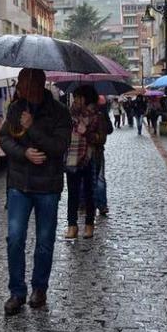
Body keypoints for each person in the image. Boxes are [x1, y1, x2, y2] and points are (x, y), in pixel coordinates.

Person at [0, 68, 72, 316]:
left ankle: (39, 289)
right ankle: (17, 292)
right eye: (20, 85)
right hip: (19, 184)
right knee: (15, 238)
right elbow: (5, 139)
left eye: (26, 86)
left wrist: (32, 129)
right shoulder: (16, 108)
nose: (22, 90)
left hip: (48, 186)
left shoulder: (60, 112)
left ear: (40, 86)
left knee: (44, 242)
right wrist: (24, 153)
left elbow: (59, 146)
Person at [64, 85, 104, 240]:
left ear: (86, 98)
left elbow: (102, 138)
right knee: (72, 193)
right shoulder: (70, 114)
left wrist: (85, 132)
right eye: (75, 97)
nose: (75, 100)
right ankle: (72, 226)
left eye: (78, 97)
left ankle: (89, 224)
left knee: (89, 192)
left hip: (90, 157)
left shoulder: (96, 116)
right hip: (72, 157)